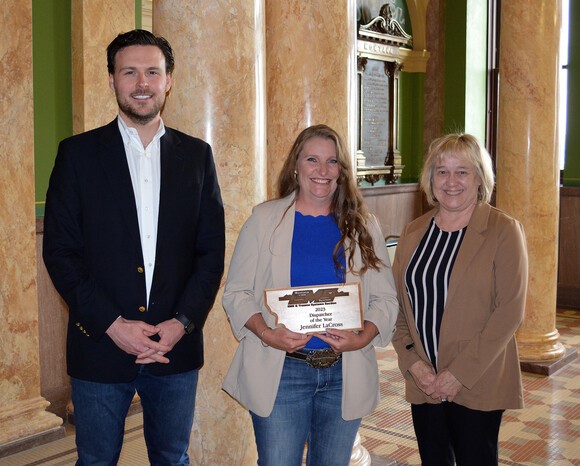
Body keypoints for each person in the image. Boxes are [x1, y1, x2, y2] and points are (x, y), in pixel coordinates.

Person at [43, 29, 225, 465]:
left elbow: (210, 253)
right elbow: (61, 253)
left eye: (152, 72)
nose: (141, 83)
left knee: (171, 457)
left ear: (168, 80)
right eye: (129, 72)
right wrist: (113, 324)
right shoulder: (77, 155)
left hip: (174, 348)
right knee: (96, 459)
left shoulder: (197, 156)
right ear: (112, 80)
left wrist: (181, 323)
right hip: (100, 346)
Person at [222, 124, 399, 466]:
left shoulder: (363, 225)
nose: (322, 171)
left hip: (342, 374)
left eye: (332, 162)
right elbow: (237, 293)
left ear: (341, 171)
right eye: (312, 160)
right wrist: (267, 333)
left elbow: (386, 299)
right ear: (296, 165)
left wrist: (363, 336)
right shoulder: (264, 220)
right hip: (282, 373)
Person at [391, 133, 528, 466]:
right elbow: (399, 309)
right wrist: (415, 365)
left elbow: (509, 312)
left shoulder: (503, 230)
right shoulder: (414, 232)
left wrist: (457, 375)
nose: (450, 181)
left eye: (462, 171)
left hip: (477, 381)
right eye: (441, 171)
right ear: (430, 178)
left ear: (480, 178)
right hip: (424, 382)